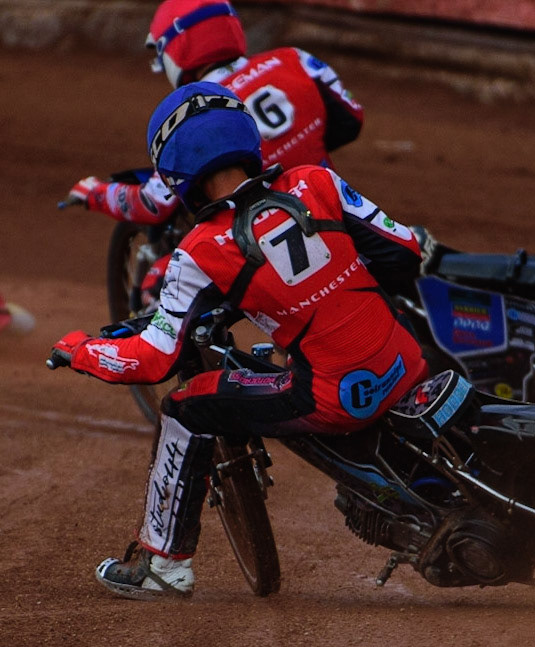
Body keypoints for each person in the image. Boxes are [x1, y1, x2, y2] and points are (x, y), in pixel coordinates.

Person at [49, 82, 427, 599]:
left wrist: (78, 348)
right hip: (406, 360)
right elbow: (404, 251)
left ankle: (163, 563)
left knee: (186, 405)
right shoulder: (317, 181)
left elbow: (154, 359)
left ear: (178, 171)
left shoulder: (198, 251)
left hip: (336, 397)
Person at [64, 0, 364, 226]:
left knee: (160, 279)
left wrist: (95, 193)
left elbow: (153, 203)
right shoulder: (294, 58)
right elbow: (351, 120)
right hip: (336, 208)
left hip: (260, 237)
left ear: (176, 47)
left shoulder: (199, 109)